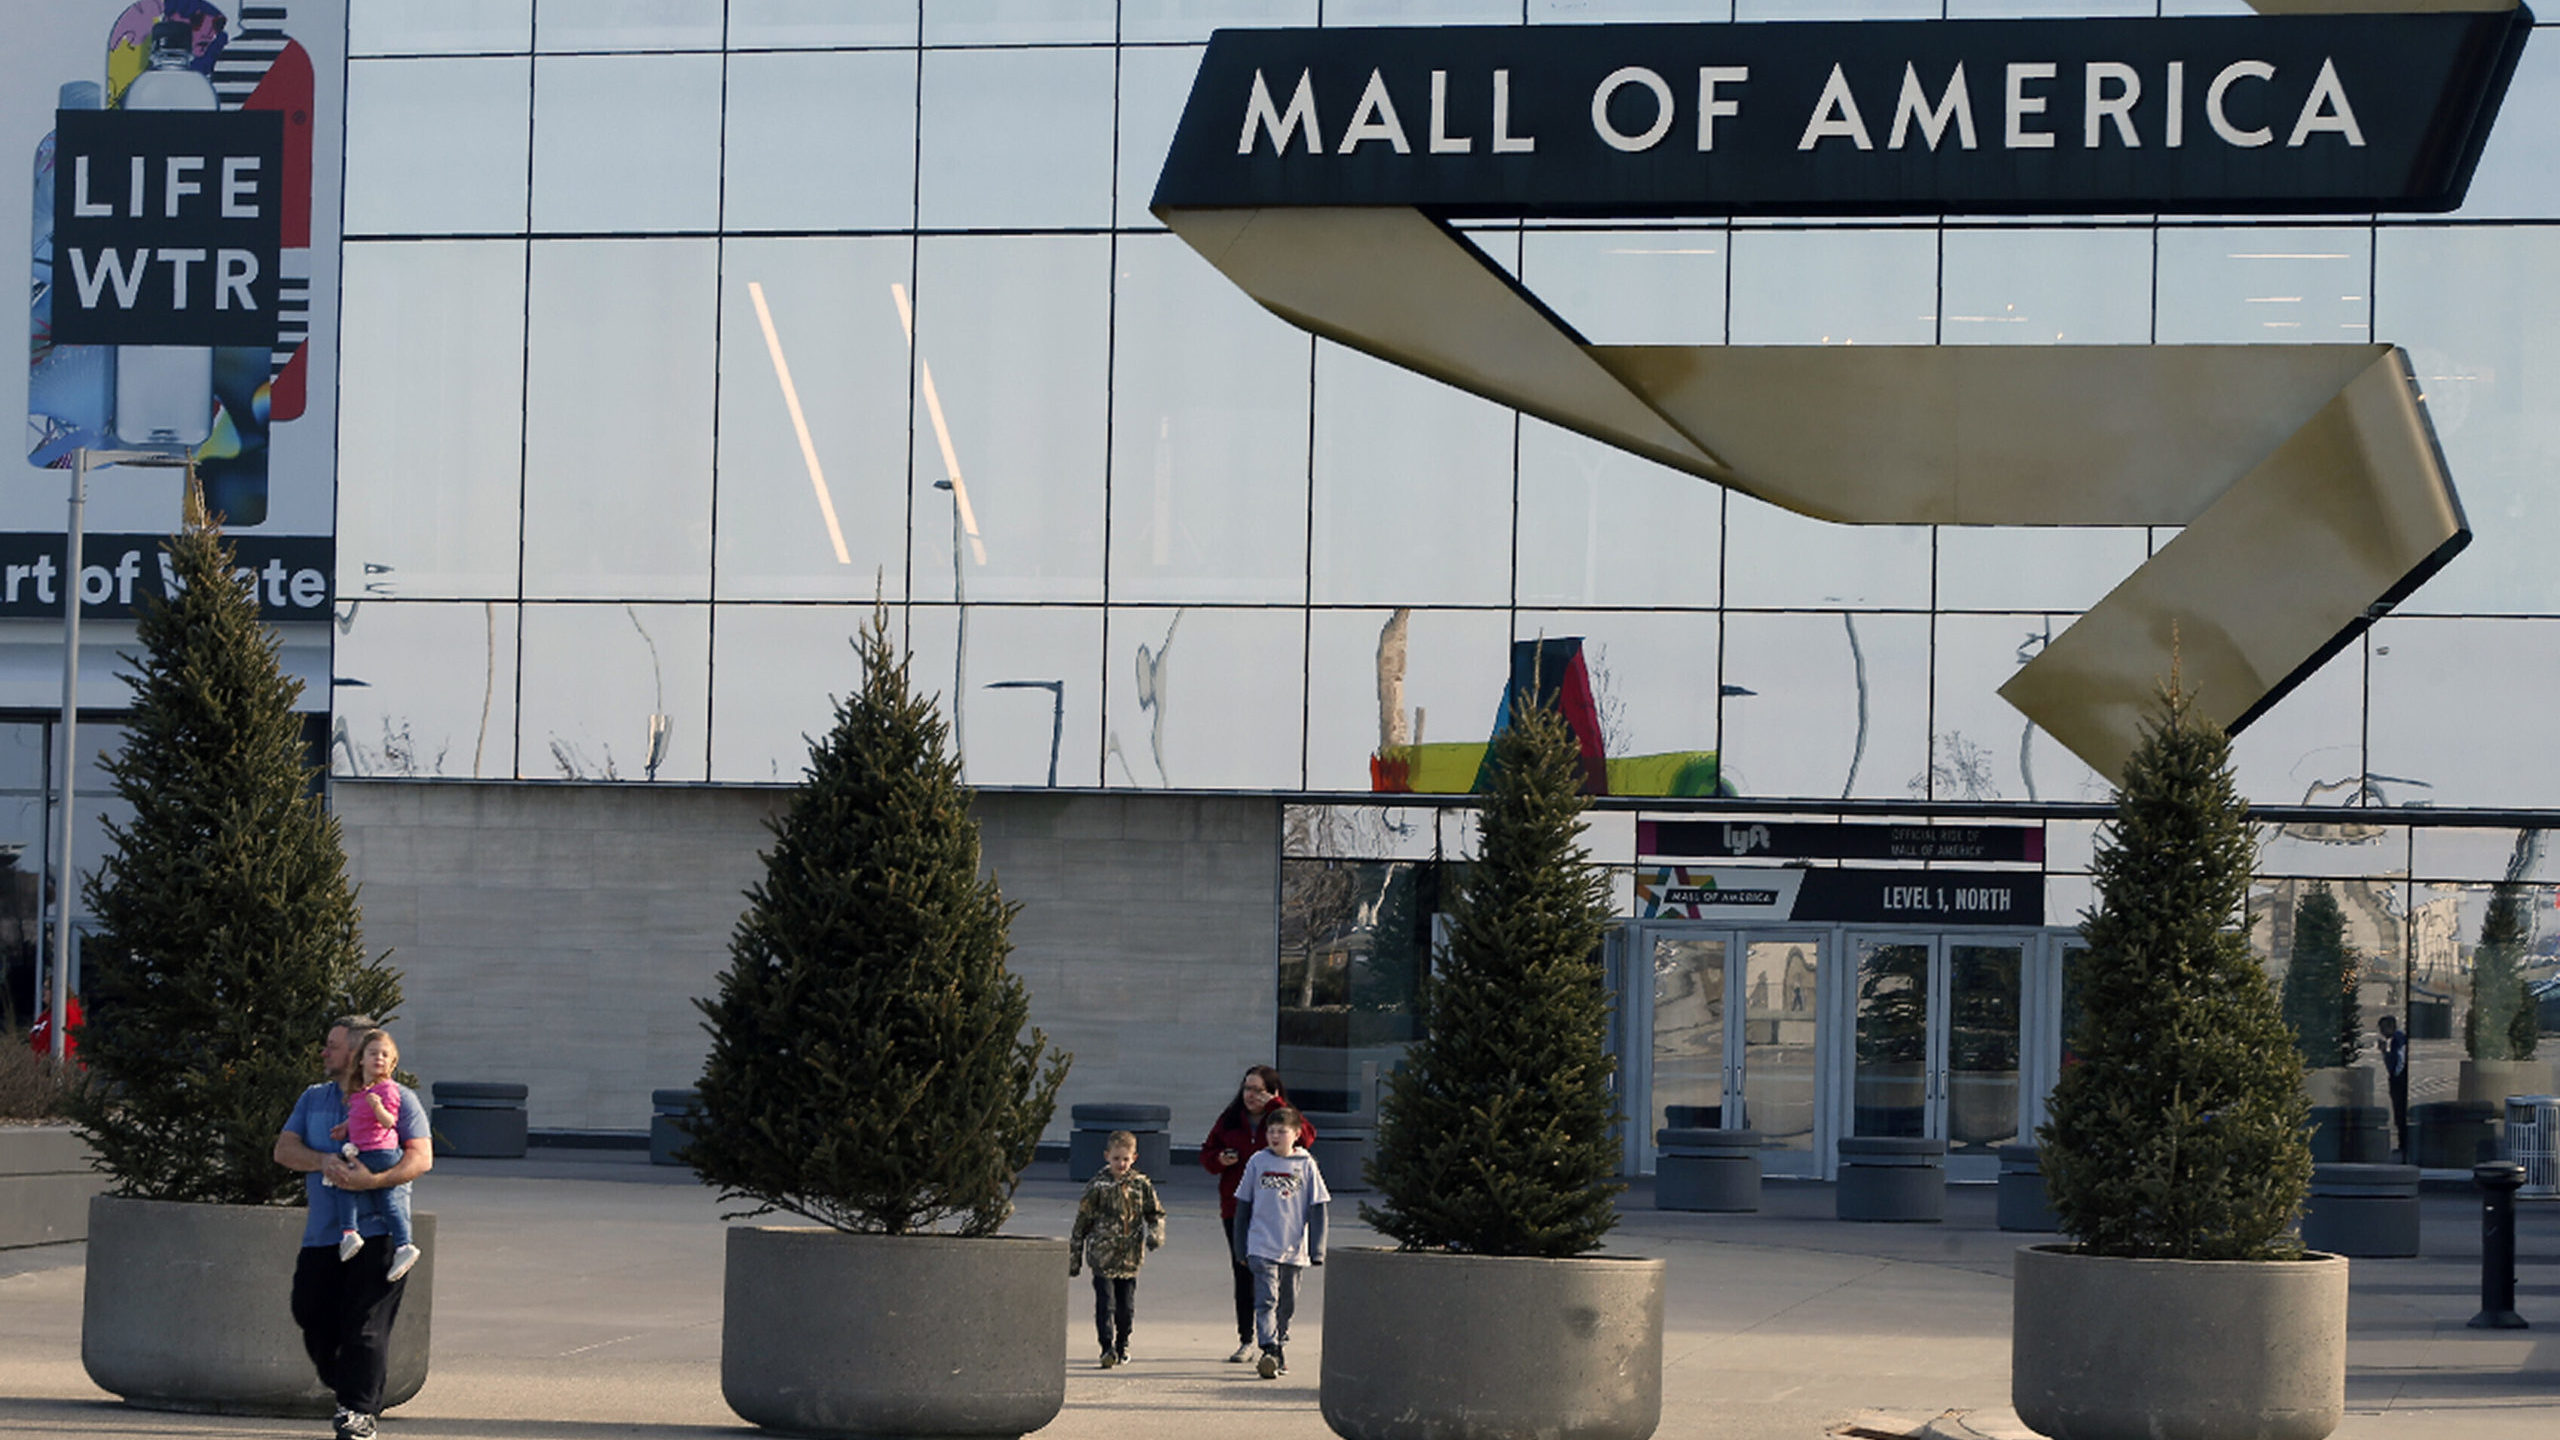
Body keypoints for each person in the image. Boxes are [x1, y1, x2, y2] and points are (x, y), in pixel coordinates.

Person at [273, 1015, 432, 1440]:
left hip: (380, 1235)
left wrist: (372, 1181)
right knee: (309, 1310)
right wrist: (321, 1160)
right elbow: (284, 1149)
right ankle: (349, 1387)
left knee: (365, 1324)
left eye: (333, 1045)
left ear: (358, 1055)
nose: (324, 1052)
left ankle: (357, 1413)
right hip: (325, 1235)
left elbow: (420, 1158)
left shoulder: (399, 1099)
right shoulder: (313, 1098)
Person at [1199, 1065, 1316, 1362]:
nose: (1250, 1095)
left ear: (1272, 1091)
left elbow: (1307, 1138)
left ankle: (1276, 1337)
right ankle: (1247, 1338)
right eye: (1247, 1088)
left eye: (1257, 1090)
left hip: (1277, 1212)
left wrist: (1276, 1106)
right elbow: (1207, 1154)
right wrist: (1220, 1159)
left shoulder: (1281, 1119)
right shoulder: (1230, 1119)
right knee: (1244, 1272)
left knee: (1279, 1280)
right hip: (1237, 1207)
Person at [1230, 1105, 1327, 1380]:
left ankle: (1279, 1346)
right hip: (1261, 1245)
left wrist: (1317, 1249)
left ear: (1296, 1134)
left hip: (1294, 1249)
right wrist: (1241, 1246)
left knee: (1287, 1302)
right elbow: (1243, 1207)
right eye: (1270, 1131)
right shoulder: (1258, 1162)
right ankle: (1268, 1348)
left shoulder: (1306, 1164)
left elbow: (1318, 1207)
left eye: (1281, 1132)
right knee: (1266, 1300)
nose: (1275, 1137)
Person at [326, 1028, 422, 1283]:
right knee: (387, 1201)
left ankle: (349, 1232)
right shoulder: (361, 1093)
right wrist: (346, 1126)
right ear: (361, 1059)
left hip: (379, 1152)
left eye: (384, 1055)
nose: (378, 1058)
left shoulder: (387, 1090)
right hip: (372, 1150)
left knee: (344, 1183)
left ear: (392, 1063)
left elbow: (389, 1121)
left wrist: (378, 1107)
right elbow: (359, 1115)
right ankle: (404, 1246)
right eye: (373, 1053)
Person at [1066, 1129, 1166, 1369]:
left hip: (1130, 1259)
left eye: (1125, 1159)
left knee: (1125, 1307)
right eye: (1116, 1159)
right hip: (1102, 1257)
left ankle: (1123, 1343)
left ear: (1134, 1158)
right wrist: (1074, 1257)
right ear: (1106, 1156)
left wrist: (1156, 1235)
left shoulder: (1141, 1185)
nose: (1121, 1164)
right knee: (1105, 1303)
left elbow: (1155, 1214)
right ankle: (1106, 1347)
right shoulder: (1098, 1186)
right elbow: (1082, 1223)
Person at [2380, 1013, 2410, 1160]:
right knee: (2400, 1112)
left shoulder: (2397, 1040)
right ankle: (2403, 1142)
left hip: (2399, 1082)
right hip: (2400, 1080)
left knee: (2400, 1112)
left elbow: (2398, 1062)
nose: (2381, 1032)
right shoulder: (2399, 1039)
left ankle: (2403, 1143)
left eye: (2383, 1028)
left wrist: (2396, 1075)